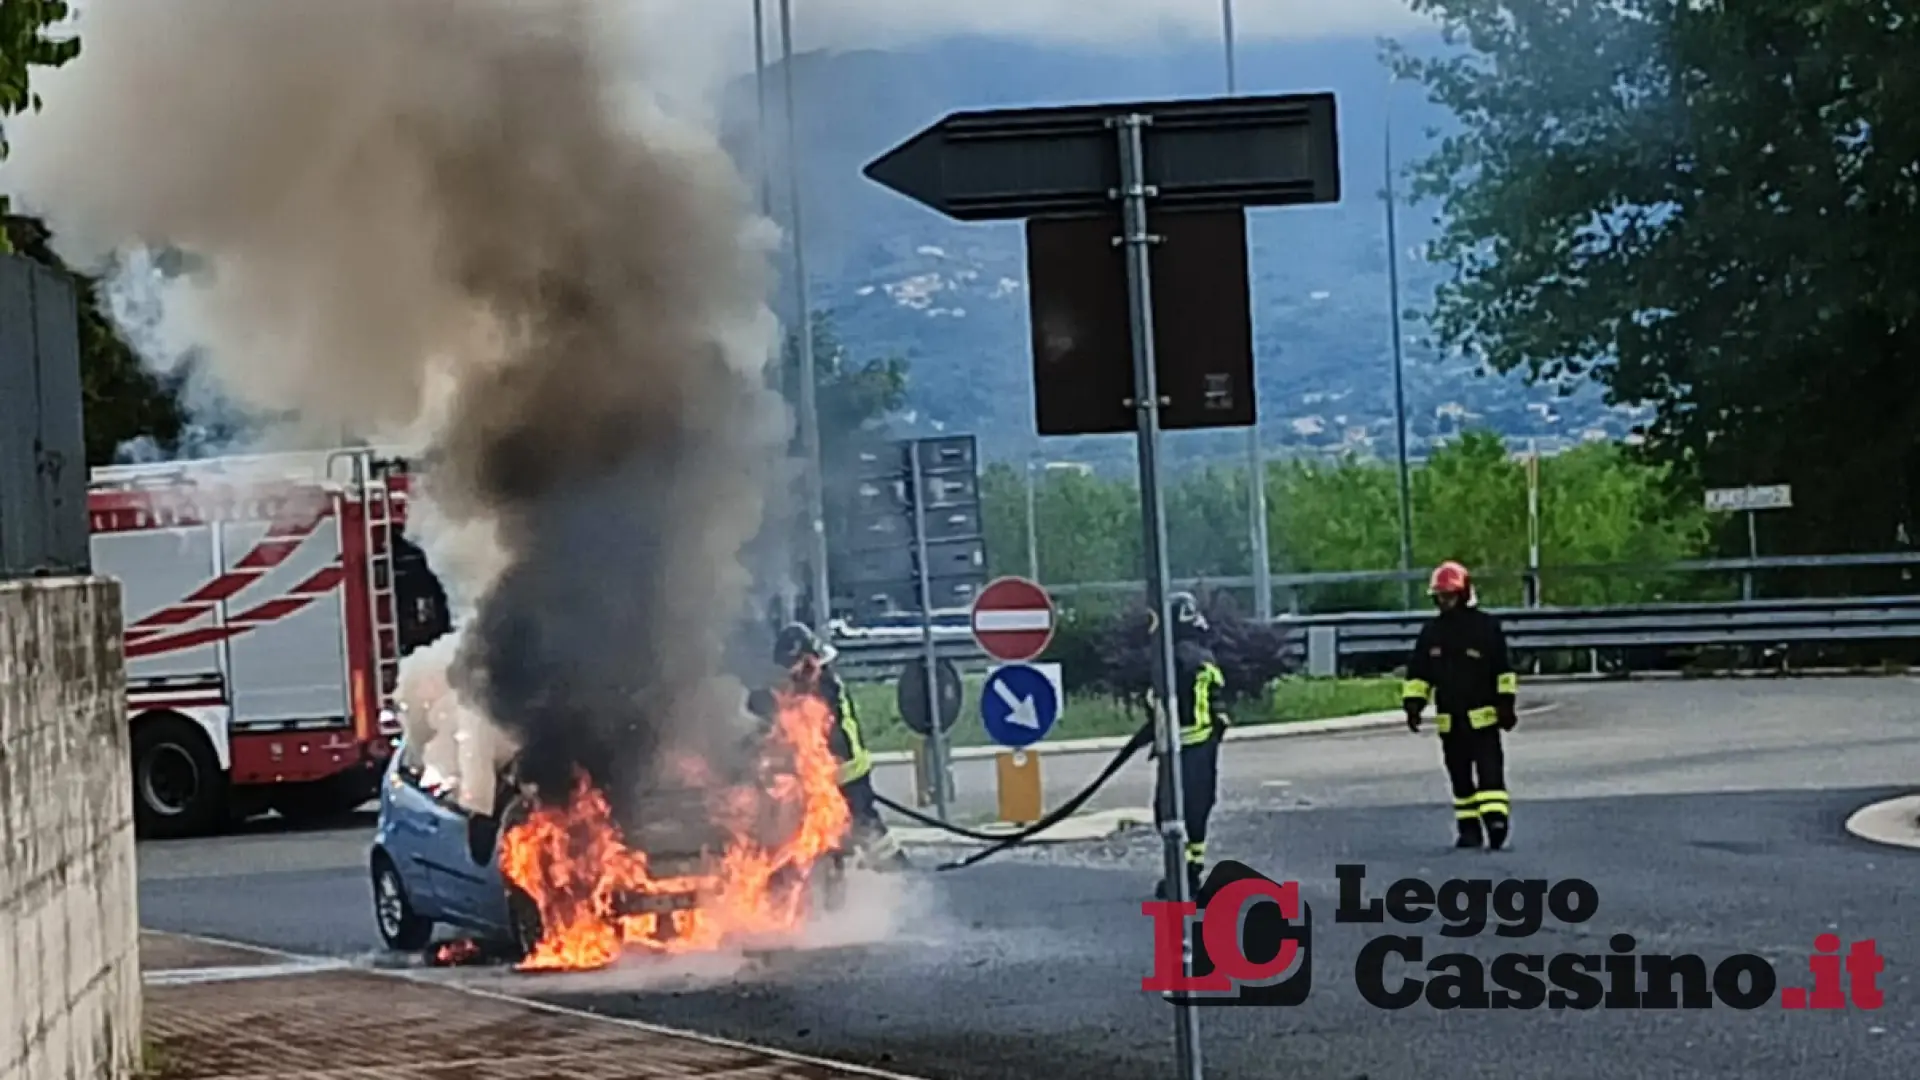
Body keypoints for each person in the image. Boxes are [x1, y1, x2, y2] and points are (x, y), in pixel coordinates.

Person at [1402, 561, 1519, 851]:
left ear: (1463, 594)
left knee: (1490, 774)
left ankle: (1496, 822)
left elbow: (1503, 671)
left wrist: (1506, 705)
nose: (1445, 602)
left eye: (1450, 596)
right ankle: (1469, 829)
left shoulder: (1486, 628)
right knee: (1460, 777)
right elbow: (1418, 673)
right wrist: (1413, 705)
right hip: (1450, 722)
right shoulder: (1431, 633)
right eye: (1440, 597)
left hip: (1484, 720)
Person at [772, 622, 909, 870]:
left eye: (793, 666)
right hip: (831, 773)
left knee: (864, 826)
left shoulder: (823, 686)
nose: (790, 673)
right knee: (829, 834)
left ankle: (898, 872)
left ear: (808, 657)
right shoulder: (812, 682)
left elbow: (815, 729)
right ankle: (836, 884)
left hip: (847, 773)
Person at [1152, 591, 1228, 900]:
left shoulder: (1176, 658)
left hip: (1183, 747)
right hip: (1200, 745)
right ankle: (1190, 870)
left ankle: (1186, 875)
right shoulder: (1200, 654)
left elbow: (1165, 702)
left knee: (1172, 812)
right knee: (1194, 812)